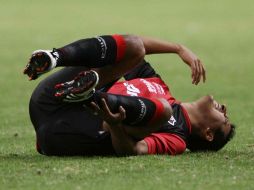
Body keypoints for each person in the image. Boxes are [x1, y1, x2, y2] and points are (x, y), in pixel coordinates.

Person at [24, 34, 235, 156]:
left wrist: (114, 124)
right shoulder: (159, 85)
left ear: (208, 134)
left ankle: (92, 97)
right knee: (133, 46)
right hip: (50, 100)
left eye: (224, 119)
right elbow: (134, 49)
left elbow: (135, 150)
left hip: (70, 133)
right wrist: (178, 48)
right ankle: (56, 57)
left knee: (163, 110)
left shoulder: (177, 138)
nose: (224, 109)